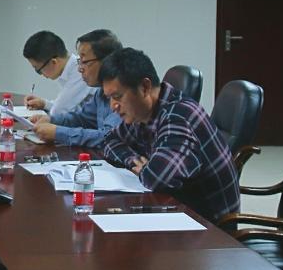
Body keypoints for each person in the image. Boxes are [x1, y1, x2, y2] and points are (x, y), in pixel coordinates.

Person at [99, 48, 239, 222]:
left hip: (209, 228)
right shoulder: (143, 113)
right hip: (178, 211)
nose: (113, 106)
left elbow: (157, 179)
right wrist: (134, 161)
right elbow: (109, 140)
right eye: (109, 98)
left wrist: (147, 169)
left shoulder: (179, 116)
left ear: (145, 87)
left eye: (118, 96)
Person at [30, 29, 123, 147]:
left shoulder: (123, 93)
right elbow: (82, 119)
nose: (80, 69)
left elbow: (108, 138)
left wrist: (58, 133)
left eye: (84, 61)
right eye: (79, 61)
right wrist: (52, 120)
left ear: (107, 61)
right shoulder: (100, 92)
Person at [22, 30, 90, 116]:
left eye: (38, 70)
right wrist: (44, 104)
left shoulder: (80, 71)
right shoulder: (70, 69)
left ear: (53, 62)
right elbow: (67, 107)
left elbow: (58, 111)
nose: (41, 75)